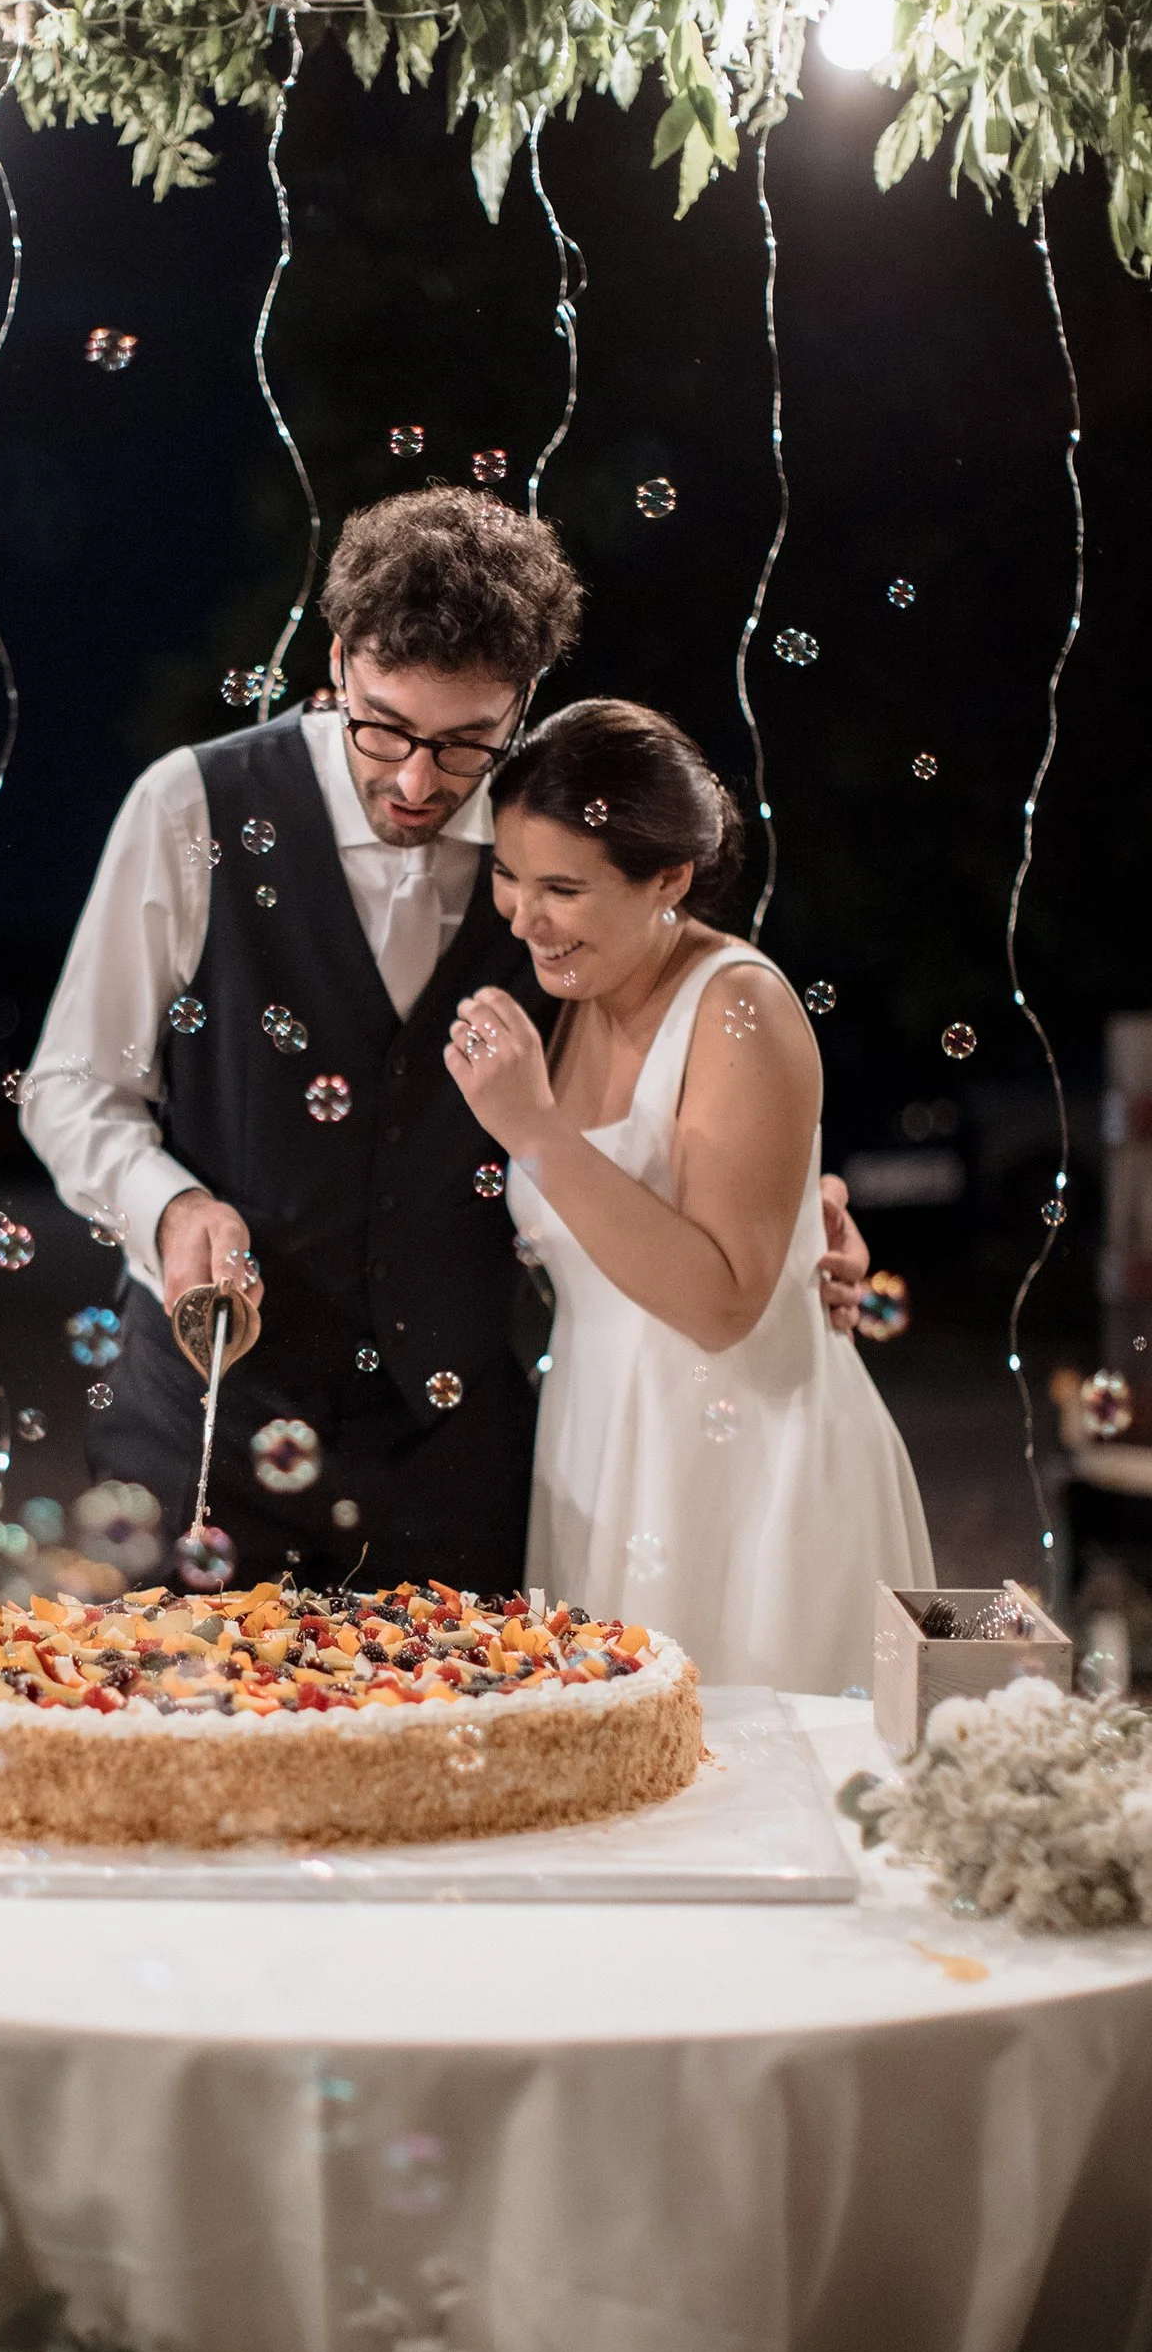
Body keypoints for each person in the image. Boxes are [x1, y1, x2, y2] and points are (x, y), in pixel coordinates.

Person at [23, 487, 869, 1594]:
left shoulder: (559, 857)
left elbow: (684, 1044)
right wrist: (171, 1208)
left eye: (468, 742)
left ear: (522, 706)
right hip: (208, 1421)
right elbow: (73, 1085)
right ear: (338, 661)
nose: (418, 781)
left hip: (458, 1454)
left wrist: (795, 1212)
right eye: (384, 725)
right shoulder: (191, 809)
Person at [444, 697, 933, 1692]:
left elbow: (722, 1301)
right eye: (507, 873)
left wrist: (533, 1132)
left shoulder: (737, 1005)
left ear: (667, 878)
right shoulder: (568, 990)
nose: (522, 914)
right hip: (599, 1454)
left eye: (563, 888)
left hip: (747, 1476)